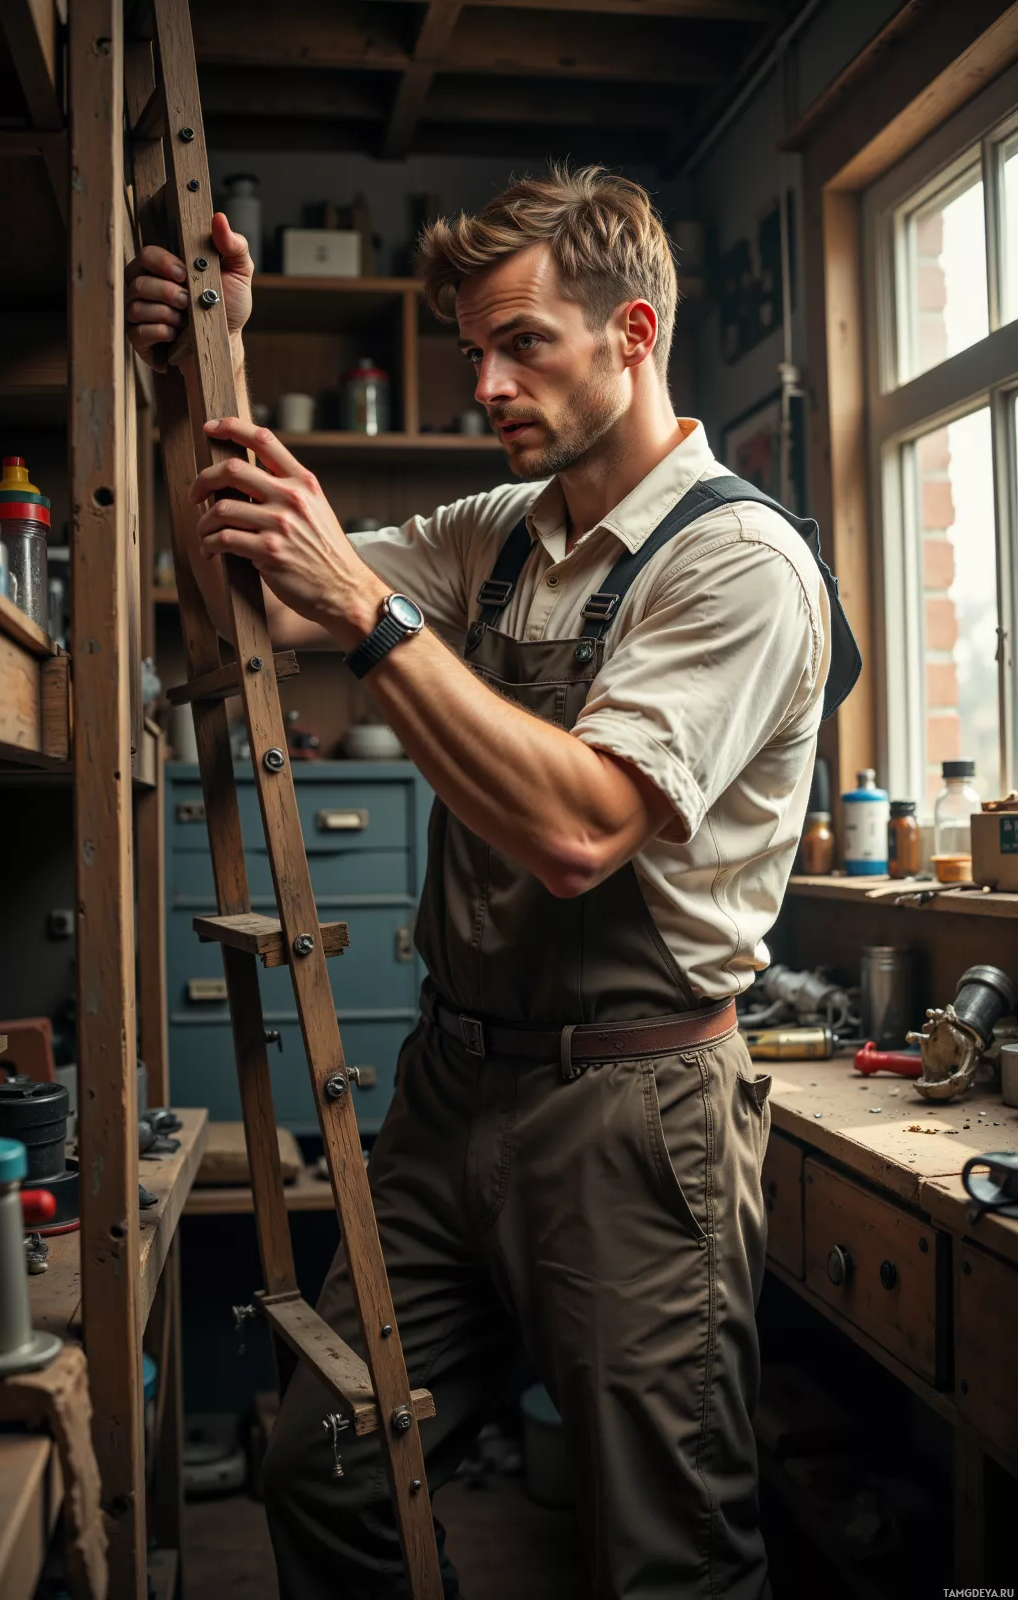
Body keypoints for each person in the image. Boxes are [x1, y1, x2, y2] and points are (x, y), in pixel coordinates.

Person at [126, 166, 855, 1600]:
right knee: (324, 1466)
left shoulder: (743, 564)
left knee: (669, 1557)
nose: (486, 382)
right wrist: (191, 377)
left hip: (634, 1118)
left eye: (526, 342)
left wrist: (376, 615)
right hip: (452, 1097)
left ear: (634, 333)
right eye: (473, 350)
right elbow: (246, 598)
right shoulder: (506, 530)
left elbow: (582, 831)